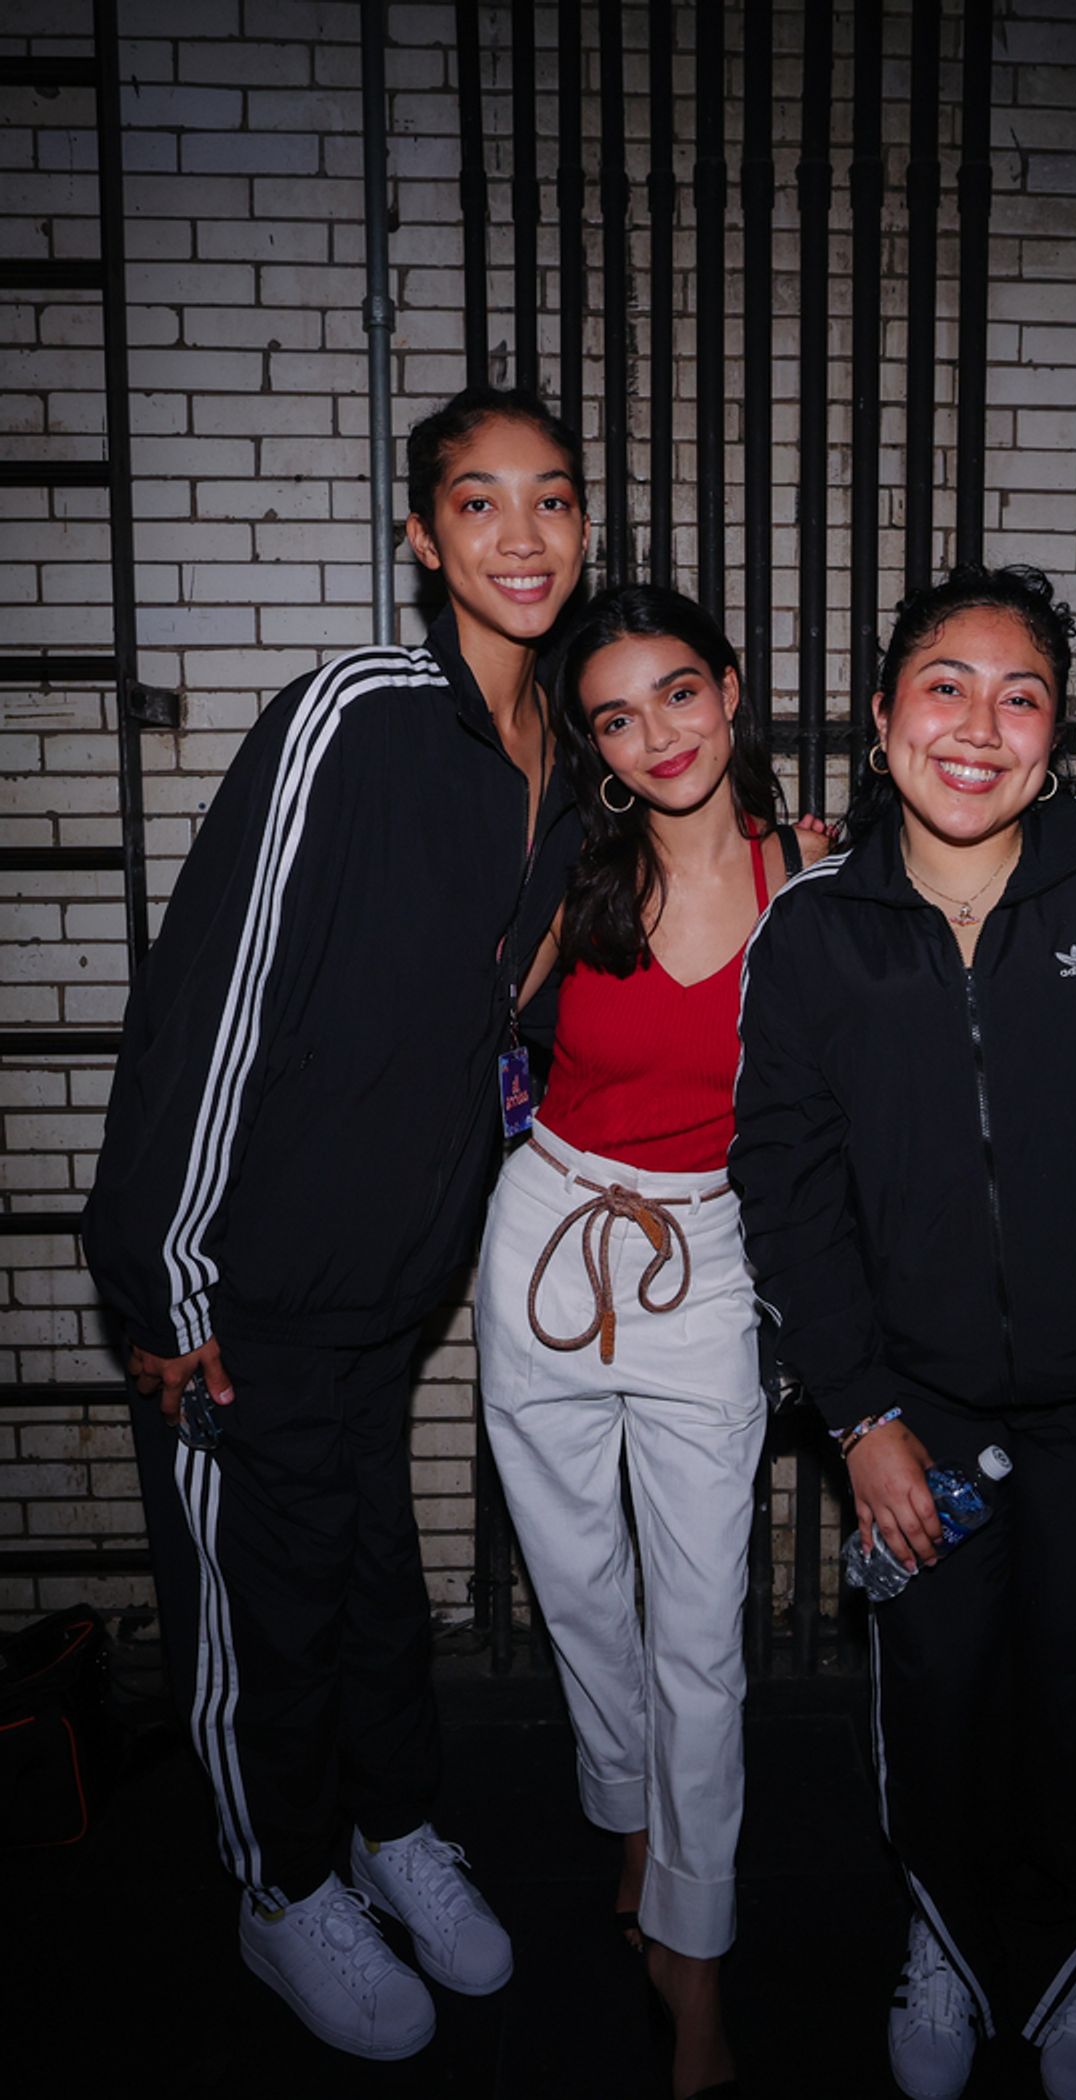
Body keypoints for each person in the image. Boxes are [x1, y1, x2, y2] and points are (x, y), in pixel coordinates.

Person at [730, 564, 1076, 2100]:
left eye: (1021, 694)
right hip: (914, 1413)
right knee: (936, 1689)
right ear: (881, 717)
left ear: (1061, 736)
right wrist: (861, 1412)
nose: (979, 727)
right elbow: (784, 1197)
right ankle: (948, 1942)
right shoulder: (812, 934)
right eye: (946, 686)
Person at [82, 385, 591, 2061]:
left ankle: (392, 1824)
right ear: (424, 535)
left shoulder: (564, 766)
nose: (521, 537)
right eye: (479, 503)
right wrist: (158, 1271)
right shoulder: (356, 714)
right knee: (256, 1603)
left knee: (373, 1574)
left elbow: (508, 1014)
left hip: (392, 1284)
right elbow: (209, 998)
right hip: (243, 1275)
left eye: (552, 500)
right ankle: (279, 1881)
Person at [475, 583, 826, 2100]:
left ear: (730, 691)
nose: (656, 733)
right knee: (580, 1593)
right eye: (616, 714)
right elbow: (455, 1036)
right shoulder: (576, 873)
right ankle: (626, 1816)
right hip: (544, 1241)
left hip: (708, 1262)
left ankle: (694, 1958)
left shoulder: (814, 879)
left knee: (700, 1633)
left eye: (678, 693)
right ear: (598, 744)